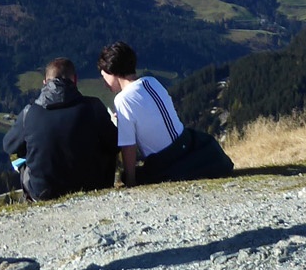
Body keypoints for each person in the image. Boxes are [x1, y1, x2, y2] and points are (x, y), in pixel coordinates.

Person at [97, 41, 234, 185]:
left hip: (166, 160)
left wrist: (130, 182)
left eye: (104, 76)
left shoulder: (122, 99)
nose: (104, 83)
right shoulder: (151, 81)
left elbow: (128, 146)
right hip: (187, 143)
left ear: (112, 71)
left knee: (127, 176)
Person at [2, 57, 118, 200]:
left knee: (19, 158)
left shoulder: (29, 113)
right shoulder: (93, 106)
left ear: (45, 83)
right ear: (74, 80)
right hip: (94, 185)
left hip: (44, 192)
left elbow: (8, 146)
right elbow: (115, 143)